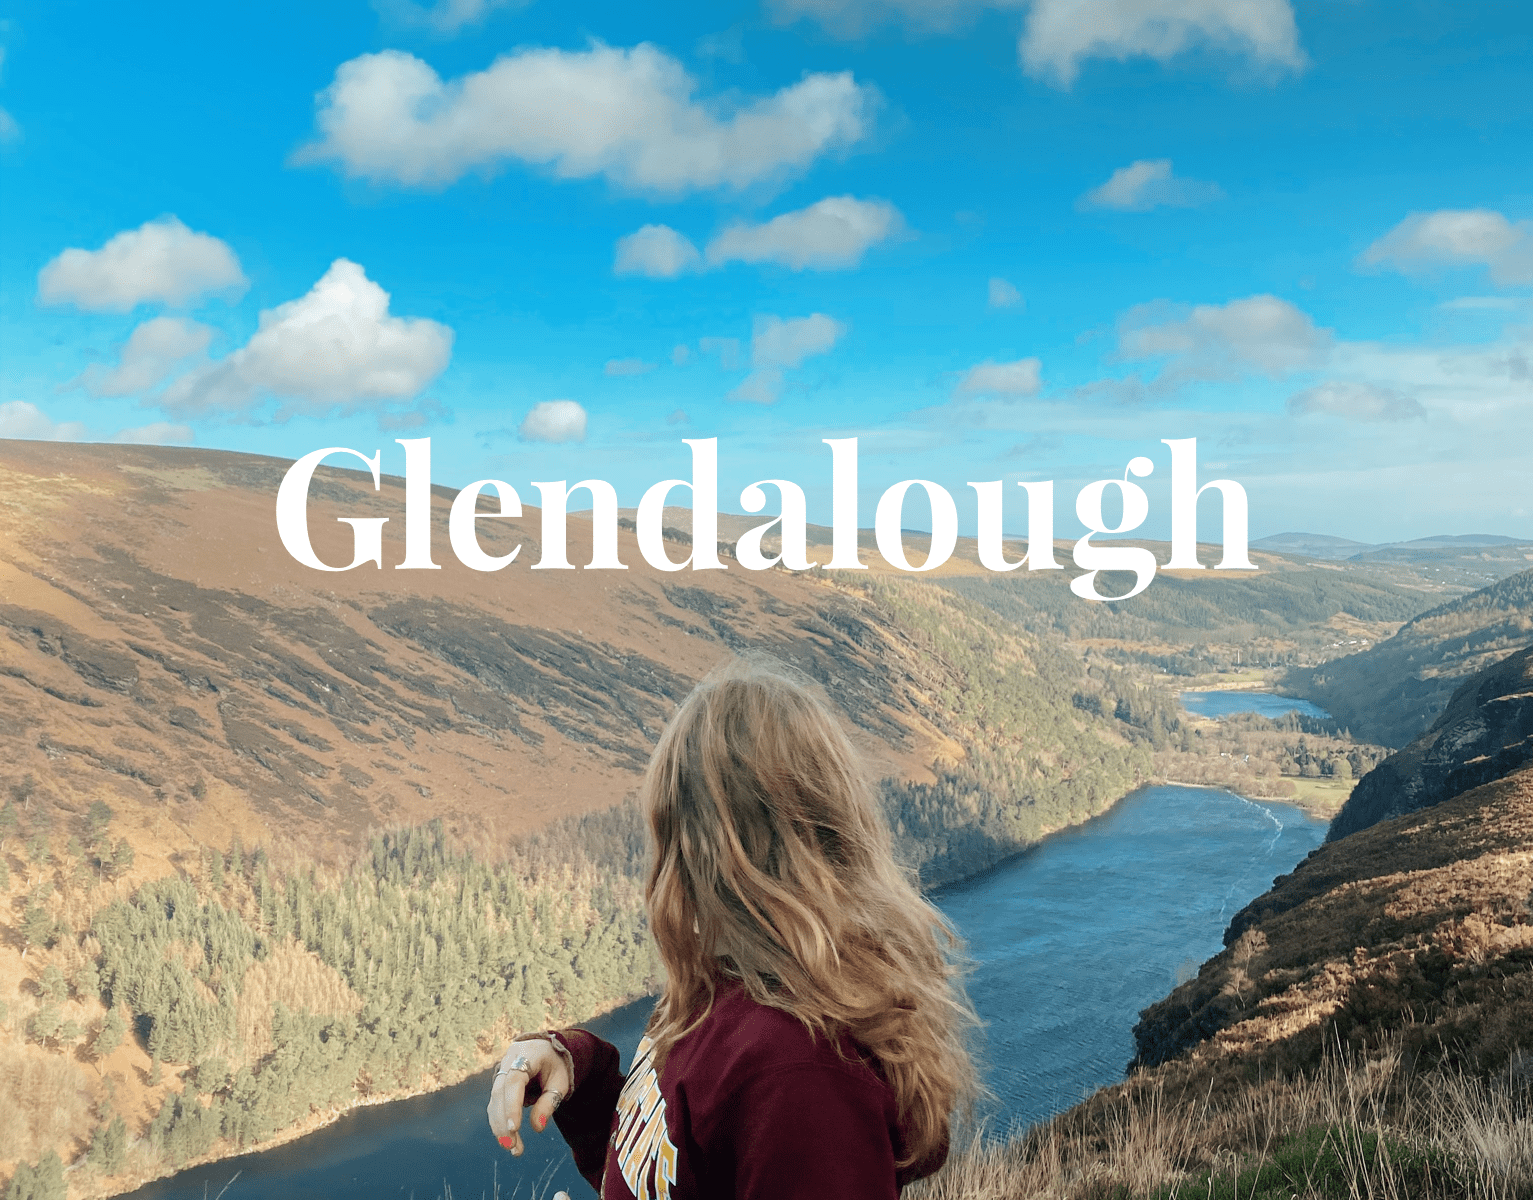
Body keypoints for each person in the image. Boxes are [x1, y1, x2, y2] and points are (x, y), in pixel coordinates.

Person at [486, 658, 979, 1199]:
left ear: (702, 849)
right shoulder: (721, 985)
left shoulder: (800, 1071)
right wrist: (574, 1065)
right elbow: (671, 1169)